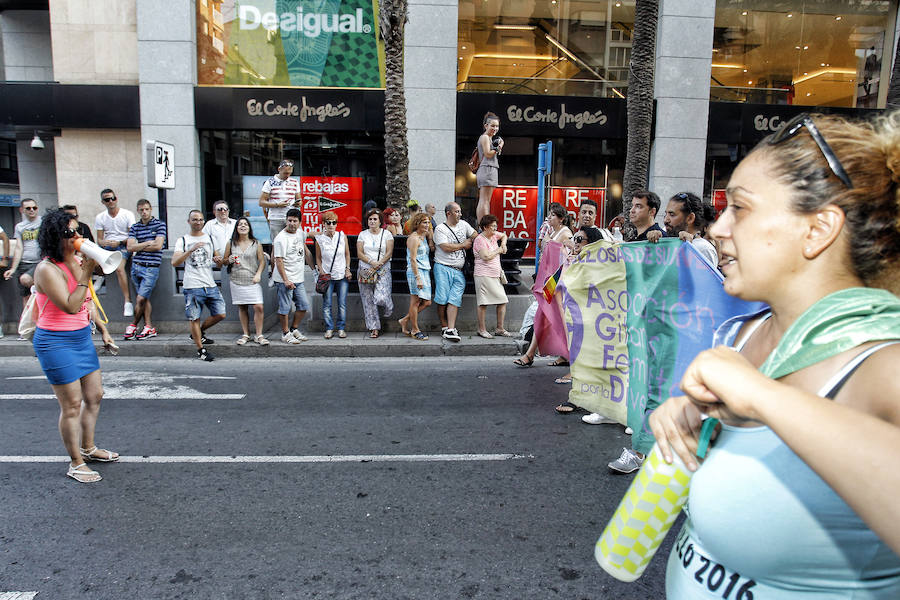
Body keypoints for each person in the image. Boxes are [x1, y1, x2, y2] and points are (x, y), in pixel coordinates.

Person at [649, 111, 900, 596]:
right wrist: (696, 418)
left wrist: (763, 398)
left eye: (739, 209)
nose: (718, 229)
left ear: (817, 229)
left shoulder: (881, 361)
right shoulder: (740, 336)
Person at [31, 209, 118, 483]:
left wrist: (103, 330)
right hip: (55, 342)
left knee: (95, 396)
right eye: (70, 232)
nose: (77, 236)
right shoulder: (47, 269)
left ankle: (89, 448)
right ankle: (76, 462)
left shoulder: (76, 260)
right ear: (56, 237)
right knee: (71, 405)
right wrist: (87, 272)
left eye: (78, 230)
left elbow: (85, 301)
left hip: (81, 337)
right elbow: (69, 305)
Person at [171, 210, 225, 361]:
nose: (198, 222)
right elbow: (174, 262)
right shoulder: (183, 240)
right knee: (194, 318)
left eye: (201, 219)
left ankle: (198, 334)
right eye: (195, 219)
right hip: (192, 285)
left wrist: (219, 260)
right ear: (189, 221)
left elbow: (219, 263)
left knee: (220, 314)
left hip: (210, 284)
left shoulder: (210, 238)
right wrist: (190, 250)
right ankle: (200, 349)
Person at [123, 199, 166, 340]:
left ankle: (133, 325)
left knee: (141, 298)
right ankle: (148, 326)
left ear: (151, 209)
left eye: (147, 209)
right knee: (144, 298)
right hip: (136, 266)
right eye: (141, 210)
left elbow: (158, 246)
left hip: (151, 267)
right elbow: (130, 247)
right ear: (138, 210)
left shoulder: (160, 225)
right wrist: (147, 242)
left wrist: (139, 246)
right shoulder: (135, 227)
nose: (144, 212)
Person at [433, 201, 476, 342]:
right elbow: (445, 247)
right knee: (442, 299)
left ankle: (451, 329)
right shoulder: (440, 229)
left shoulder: (464, 224)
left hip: (459, 269)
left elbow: (475, 234)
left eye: (460, 211)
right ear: (448, 213)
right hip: (443, 267)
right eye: (457, 211)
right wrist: (463, 244)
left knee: (454, 299)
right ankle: (444, 327)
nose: (460, 214)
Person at [224, 216, 268, 346]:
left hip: (252, 279)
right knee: (242, 307)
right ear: (236, 228)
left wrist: (258, 274)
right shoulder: (230, 243)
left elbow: (262, 261)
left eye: (245, 224)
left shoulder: (256, 243)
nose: (243, 226)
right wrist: (228, 260)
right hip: (236, 279)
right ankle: (246, 334)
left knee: (258, 307)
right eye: (240, 224)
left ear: (249, 228)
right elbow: (224, 261)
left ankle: (259, 335)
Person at [272, 208, 311, 344]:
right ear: (286, 221)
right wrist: (285, 280)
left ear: (300, 222)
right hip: (284, 280)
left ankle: (294, 329)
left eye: (295, 221)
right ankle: (285, 333)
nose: (292, 223)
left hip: (298, 278)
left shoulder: (300, 233)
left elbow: (305, 250)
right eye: (289, 220)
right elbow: (278, 261)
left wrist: (315, 269)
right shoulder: (280, 239)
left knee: (303, 305)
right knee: (285, 308)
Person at [95, 189, 135, 317]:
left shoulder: (127, 214)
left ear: (116, 199)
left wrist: (119, 242)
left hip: (123, 246)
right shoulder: (100, 217)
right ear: (103, 202)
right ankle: (101, 276)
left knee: (119, 268)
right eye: (107, 199)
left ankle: (127, 301)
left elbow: (132, 237)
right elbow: (99, 240)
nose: (111, 201)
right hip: (109, 246)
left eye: (112, 198)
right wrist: (107, 242)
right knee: (91, 261)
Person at [473, 214, 512, 339]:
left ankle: (500, 328)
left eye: (496, 226)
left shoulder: (494, 235)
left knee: (502, 301)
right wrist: (499, 250)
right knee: (483, 303)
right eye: (492, 226)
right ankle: (481, 329)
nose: (495, 229)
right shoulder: (480, 240)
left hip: (495, 274)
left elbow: (504, 235)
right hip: (483, 274)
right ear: (485, 227)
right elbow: (486, 256)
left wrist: (504, 244)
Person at [356, 208, 394, 338]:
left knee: (380, 297)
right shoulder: (363, 234)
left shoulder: (387, 234)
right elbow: (360, 253)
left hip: (383, 269)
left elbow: (389, 252)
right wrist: (372, 262)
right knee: (368, 300)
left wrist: (379, 263)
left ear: (380, 221)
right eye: (370, 219)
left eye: (375, 219)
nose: (372, 221)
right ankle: (374, 327)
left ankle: (388, 306)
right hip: (366, 270)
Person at [315, 211, 351, 339]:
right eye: (328, 222)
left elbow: (347, 254)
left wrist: (347, 269)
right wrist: (321, 270)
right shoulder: (319, 239)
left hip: (341, 274)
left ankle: (341, 328)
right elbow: (318, 257)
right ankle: (329, 328)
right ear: (324, 224)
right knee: (327, 303)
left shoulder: (342, 236)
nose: (331, 225)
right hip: (327, 276)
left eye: (334, 222)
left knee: (342, 303)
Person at [3, 198, 42, 314]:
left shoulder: (44, 222)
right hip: (24, 263)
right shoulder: (19, 227)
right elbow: (19, 248)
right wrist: (13, 269)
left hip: (40, 262)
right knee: (26, 297)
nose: (31, 210)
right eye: (28, 208)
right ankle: (28, 329)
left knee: (25, 280)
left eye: (34, 208)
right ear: (22, 210)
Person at [398, 212, 432, 341]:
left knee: (427, 302)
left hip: (425, 270)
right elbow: (412, 259)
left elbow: (431, 233)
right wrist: (417, 277)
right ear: (417, 223)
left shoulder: (423, 236)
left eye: (428, 222)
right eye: (424, 222)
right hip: (416, 271)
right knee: (416, 301)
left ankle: (405, 320)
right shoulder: (413, 238)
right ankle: (415, 329)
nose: (427, 225)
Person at [661, 192, 718, 267]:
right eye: (666, 214)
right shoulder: (668, 242)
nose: (666, 220)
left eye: (672, 215)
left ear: (690, 218)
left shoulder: (703, 249)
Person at [475, 112, 504, 222]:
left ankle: (484, 223)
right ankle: (484, 224)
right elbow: (487, 153)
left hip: (488, 168)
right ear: (486, 125)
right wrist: (499, 147)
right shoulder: (485, 137)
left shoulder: (488, 138)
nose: (495, 128)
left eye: (497, 126)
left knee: (486, 199)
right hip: (487, 168)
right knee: (485, 200)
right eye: (492, 125)